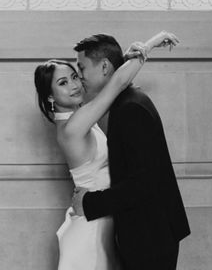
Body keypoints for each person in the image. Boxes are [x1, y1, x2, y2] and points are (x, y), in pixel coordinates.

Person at [34, 31, 178, 270]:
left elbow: (108, 77)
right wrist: (149, 45)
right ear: (50, 97)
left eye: (75, 75)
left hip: (106, 217)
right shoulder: (73, 126)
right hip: (92, 225)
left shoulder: (80, 117)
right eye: (63, 83)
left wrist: (118, 60)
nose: (75, 84)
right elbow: (116, 83)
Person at [72, 32, 191, 270]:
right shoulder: (128, 100)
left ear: (104, 66)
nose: (79, 76)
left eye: (82, 68)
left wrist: (89, 203)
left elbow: (142, 184)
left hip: (150, 236)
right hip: (149, 231)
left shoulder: (130, 109)